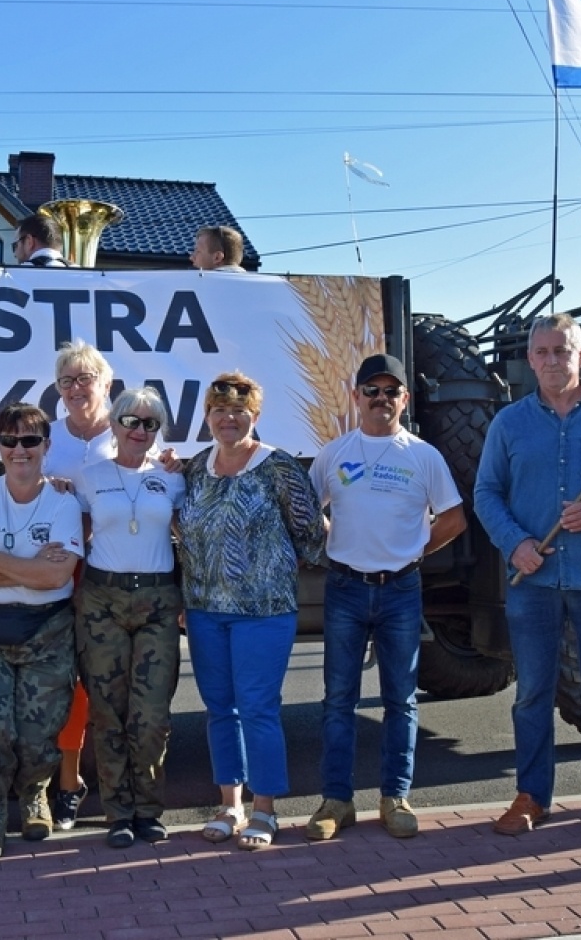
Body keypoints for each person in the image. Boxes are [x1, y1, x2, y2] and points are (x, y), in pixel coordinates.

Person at [473, 314, 581, 845]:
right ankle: (532, 796)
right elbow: (486, 494)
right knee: (532, 695)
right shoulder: (509, 424)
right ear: (530, 359)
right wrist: (515, 543)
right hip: (536, 583)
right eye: (541, 352)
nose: (551, 361)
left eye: (561, 351)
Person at [305, 354, 466, 842]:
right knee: (338, 701)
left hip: (400, 590)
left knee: (401, 700)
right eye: (370, 391)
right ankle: (337, 801)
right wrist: (332, 534)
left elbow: (454, 519)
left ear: (404, 399)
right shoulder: (332, 455)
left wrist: (414, 550)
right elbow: (308, 513)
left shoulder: (423, 456)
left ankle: (395, 797)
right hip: (346, 589)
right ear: (356, 398)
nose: (381, 400)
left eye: (390, 391)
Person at [176, 373, 326, 851]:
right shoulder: (197, 468)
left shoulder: (278, 467)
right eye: (219, 411)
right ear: (207, 416)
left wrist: (270, 565)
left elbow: (311, 535)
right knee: (220, 710)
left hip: (263, 611)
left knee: (259, 709)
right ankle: (229, 805)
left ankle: (265, 810)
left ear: (255, 417)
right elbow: (181, 531)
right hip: (204, 610)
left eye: (239, 411)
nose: (228, 418)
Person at [0, 403, 84, 860]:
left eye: (29, 440)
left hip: (45, 631)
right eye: (8, 440)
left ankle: (33, 796)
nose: (19, 450)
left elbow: (57, 578)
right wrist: (25, 567)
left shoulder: (64, 503)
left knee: (37, 731)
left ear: (46, 446)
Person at [74, 387, 187, 847]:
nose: (140, 431)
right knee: (107, 713)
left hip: (158, 601)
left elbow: (190, 534)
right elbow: (74, 533)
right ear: (114, 424)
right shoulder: (88, 476)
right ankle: (117, 813)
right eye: (131, 421)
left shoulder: (173, 477)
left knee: (151, 715)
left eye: (150, 424)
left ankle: (148, 809)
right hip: (103, 599)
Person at [39, 340, 116, 829]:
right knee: (66, 679)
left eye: (85, 378)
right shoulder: (46, 437)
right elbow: (20, 488)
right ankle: (66, 782)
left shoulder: (127, 431)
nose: (75, 388)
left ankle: (122, 785)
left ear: (106, 384)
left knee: (108, 680)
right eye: (66, 380)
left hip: (114, 567)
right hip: (61, 566)